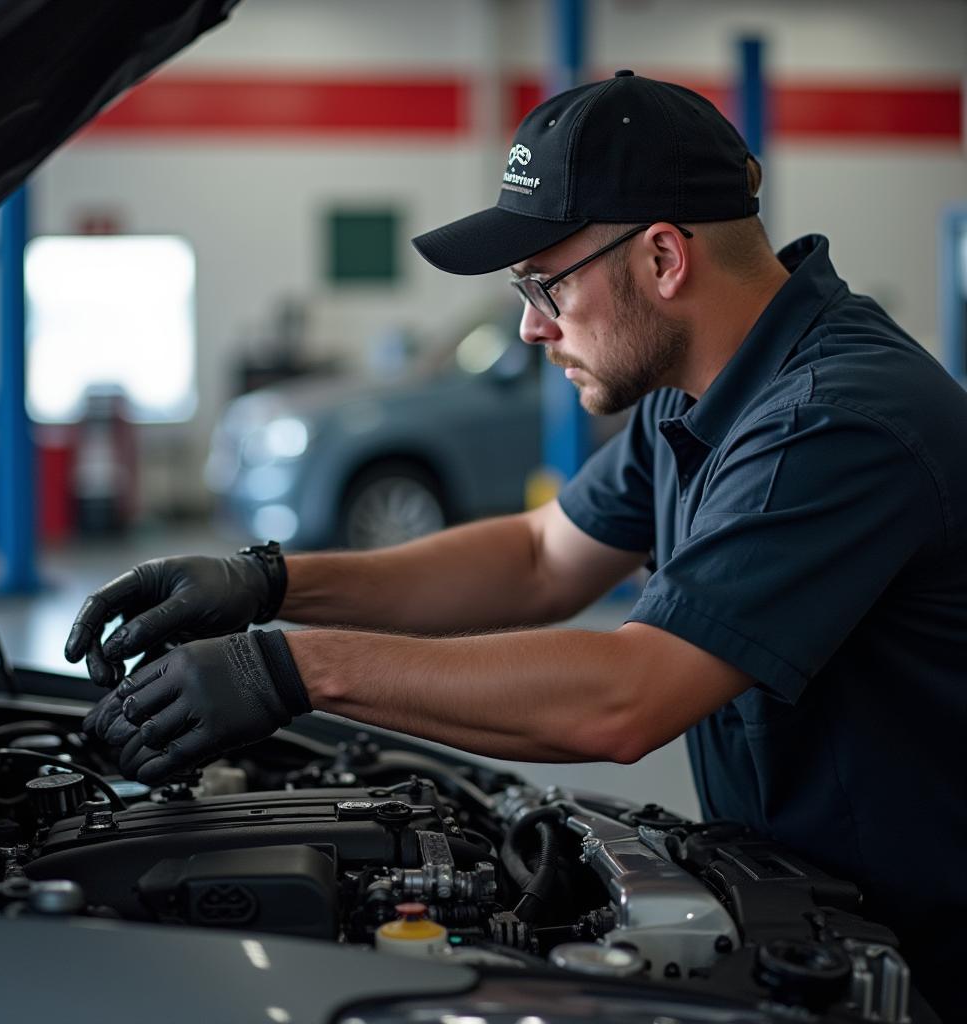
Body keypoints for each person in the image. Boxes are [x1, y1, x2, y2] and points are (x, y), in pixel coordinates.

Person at [66, 71, 964, 1019]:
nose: (532, 326)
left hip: (918, 970)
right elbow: (542, 556)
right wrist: (265, 583)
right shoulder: (694, 397)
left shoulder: (839, 422)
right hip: (808, 922)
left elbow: (628, 696)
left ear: (663, 257)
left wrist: (292, 672)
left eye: (547, 284)